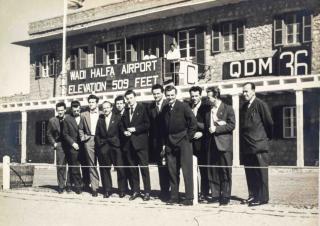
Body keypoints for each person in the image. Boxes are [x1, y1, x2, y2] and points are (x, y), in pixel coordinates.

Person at [162, 85, 197, 206]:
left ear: (175, 95)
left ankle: (189, 198)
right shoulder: (165, 108)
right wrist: (165, 143)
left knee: (187, 170)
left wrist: (188, 137)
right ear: (165, 96)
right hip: (170, 143)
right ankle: (174, 197)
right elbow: (164, 128)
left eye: (172, 95)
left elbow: (193, 122)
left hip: (183, 141)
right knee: (172, 171)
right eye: (168, 95)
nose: (170, 97)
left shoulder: (183, 106)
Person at [240, 82, 273, 206]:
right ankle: (252, 195)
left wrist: (265, 138)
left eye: (247, 91)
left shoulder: (260, 104)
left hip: (259, 145)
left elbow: (269, 123)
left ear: (253, 91)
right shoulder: (244, 107)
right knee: (250, 172)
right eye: (243, 91)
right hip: (247, 146)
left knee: (261, 173)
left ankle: (262, 198)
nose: (244, 94)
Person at [205, 87, 235, 205]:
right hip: (211, 145)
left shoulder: (228, 109)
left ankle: (226, 196)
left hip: (224, 145)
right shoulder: (208, 111)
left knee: (225, 171)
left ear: (216, 96)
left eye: (209, 97)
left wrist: (216, 129)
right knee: (213, 171)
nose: (207, 99)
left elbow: (232, 125)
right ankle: (215, 195)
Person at [121, 90, 151, 201]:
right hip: (129, 145)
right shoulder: (126, 110)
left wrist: (135, 129)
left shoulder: (143, 108)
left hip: (141, 144)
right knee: (133, 170)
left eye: (131, 98)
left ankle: (147, 192)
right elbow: (122, 125)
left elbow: (147, 124)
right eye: (127, 98)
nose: (129, 100)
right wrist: (125, 131)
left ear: (135, 97)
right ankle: (136, 191)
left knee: (144, 169)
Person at [95, 101, 126, 198]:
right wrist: (100, 145)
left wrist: (119, 144)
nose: (105, 109)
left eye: (107, 107)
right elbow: (97, 134)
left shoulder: (117, 117)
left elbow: (121, 132)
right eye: (104, 108)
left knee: (120, 168)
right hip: (104, 147)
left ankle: (122, 190)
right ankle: (107, 190)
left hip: (116, 147)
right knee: (105, 169)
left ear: (111, 108)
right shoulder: (100, 119)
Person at [148, 84, 170, 201]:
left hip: (169, 140)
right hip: (157, 142)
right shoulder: (151, 107)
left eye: (158, 93)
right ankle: (164, 191)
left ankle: (173, 192)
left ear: (162, 93)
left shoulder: (168, 104)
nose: (156, 95)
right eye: (154, 93)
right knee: (161, 167)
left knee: (170, 167)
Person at [188, 86, 209, 202]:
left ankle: (205, 193)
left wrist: (202, 133)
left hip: (203, 144)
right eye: (192, 96)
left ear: (200, 95)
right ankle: (195, 192)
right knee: (192, 170)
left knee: (204, 171)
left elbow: (209, 125)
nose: (194, 98)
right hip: (191, 144)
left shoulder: (206, 108)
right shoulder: (188, 107)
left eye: (196, 96)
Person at [79, 94, 101, 197]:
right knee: (92, 164)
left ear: (97, 103)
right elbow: (80, 128)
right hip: (89, 140)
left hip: (101, 140)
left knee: (103, 163)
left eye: (93, 102)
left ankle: (106, 187)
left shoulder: (101, 113)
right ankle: (94, 188)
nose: (91, 104)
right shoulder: (84, 114)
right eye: (90, 102)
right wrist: (83, 138)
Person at [47, 102, 71, 194]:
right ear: (56, 110)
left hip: (69, 145)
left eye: (62, 110)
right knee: (61, 166)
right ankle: (61, 186)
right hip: (60, 145)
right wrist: (54, 144)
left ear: (65, 110)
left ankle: (69, 185)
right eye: (58, 110)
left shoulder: (69, 118)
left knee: (71, 166)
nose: (60, 112)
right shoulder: (52, 120)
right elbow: (49, 133)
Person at [114, 95, 134, 194]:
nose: (119, 105)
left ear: (124, 104)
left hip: (129, 145)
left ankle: (134, 189)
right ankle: (122, 189)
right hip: (118, 146)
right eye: (117, 104)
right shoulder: (114, 115)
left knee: (131, 167)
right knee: (120, 169)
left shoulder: (129, 112)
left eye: (121, 103)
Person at [62, 101, 83, 194]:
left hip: (84, 145)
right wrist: (73, 143)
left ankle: (70, 184)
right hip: (73, 146)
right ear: (71, 110)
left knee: (83, 166)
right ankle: (78, 186)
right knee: (75, 166)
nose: (77, 112)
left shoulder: (83, 117)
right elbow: (65, 134)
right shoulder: (67, 119)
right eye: (75, 111)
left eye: (78, 110)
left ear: (80, 108)